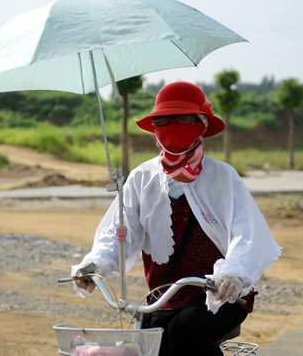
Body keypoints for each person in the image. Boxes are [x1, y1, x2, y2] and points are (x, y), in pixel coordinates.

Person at [71, 81, 281, 356]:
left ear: (202, 124)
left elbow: (247, 233)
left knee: (185, 330)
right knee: (149, 340)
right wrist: (94, 264)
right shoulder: (142, 178)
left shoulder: (223, 177)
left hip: (217, 296)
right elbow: (118, 232)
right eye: (164, 120)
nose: (173, 125)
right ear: (154, 129)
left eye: (183, 118)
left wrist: (234, 272)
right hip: (162, 299)